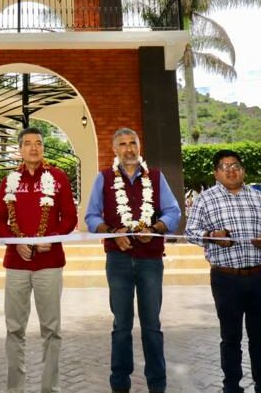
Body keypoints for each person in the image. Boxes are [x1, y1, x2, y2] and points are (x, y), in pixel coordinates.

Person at [84, 128, 181, 393]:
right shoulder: (104, 178)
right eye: (123, 144)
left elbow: (173, 212)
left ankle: (157, 384)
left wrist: (156, 228)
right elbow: (91, 217)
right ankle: (119, 383)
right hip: (118, 261)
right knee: (121, 326)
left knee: (152, 326)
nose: (129, 149)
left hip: (151, 261)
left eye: (133, 143)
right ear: (114, 149)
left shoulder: (156, 177)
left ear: (139, 146)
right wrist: (112, 232)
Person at [185, 149, 261, 393]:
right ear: (216, 173)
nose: (231, 170)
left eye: (236, 166)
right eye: (224, 166)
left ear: (243, 171)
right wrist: (212, 235)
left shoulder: (260, 198)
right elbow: (190, 232)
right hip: (226, 278)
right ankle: (231, 386)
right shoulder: (205, 199)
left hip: (259, 277)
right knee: (230, 338)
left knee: (260, 338)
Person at [0, 126, 78, 393]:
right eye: (27, 143)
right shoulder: (9, 180)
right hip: (16, 265)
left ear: (43, 147)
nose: (33, 147)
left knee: (52, 329)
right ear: (20, 149)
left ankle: (50, 388)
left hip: (49, 264)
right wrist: (15, 243)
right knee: (14, 329)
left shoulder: (58, 177)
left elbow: (70, 218)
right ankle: (15, 389)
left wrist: (50, 237)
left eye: (38, 143)